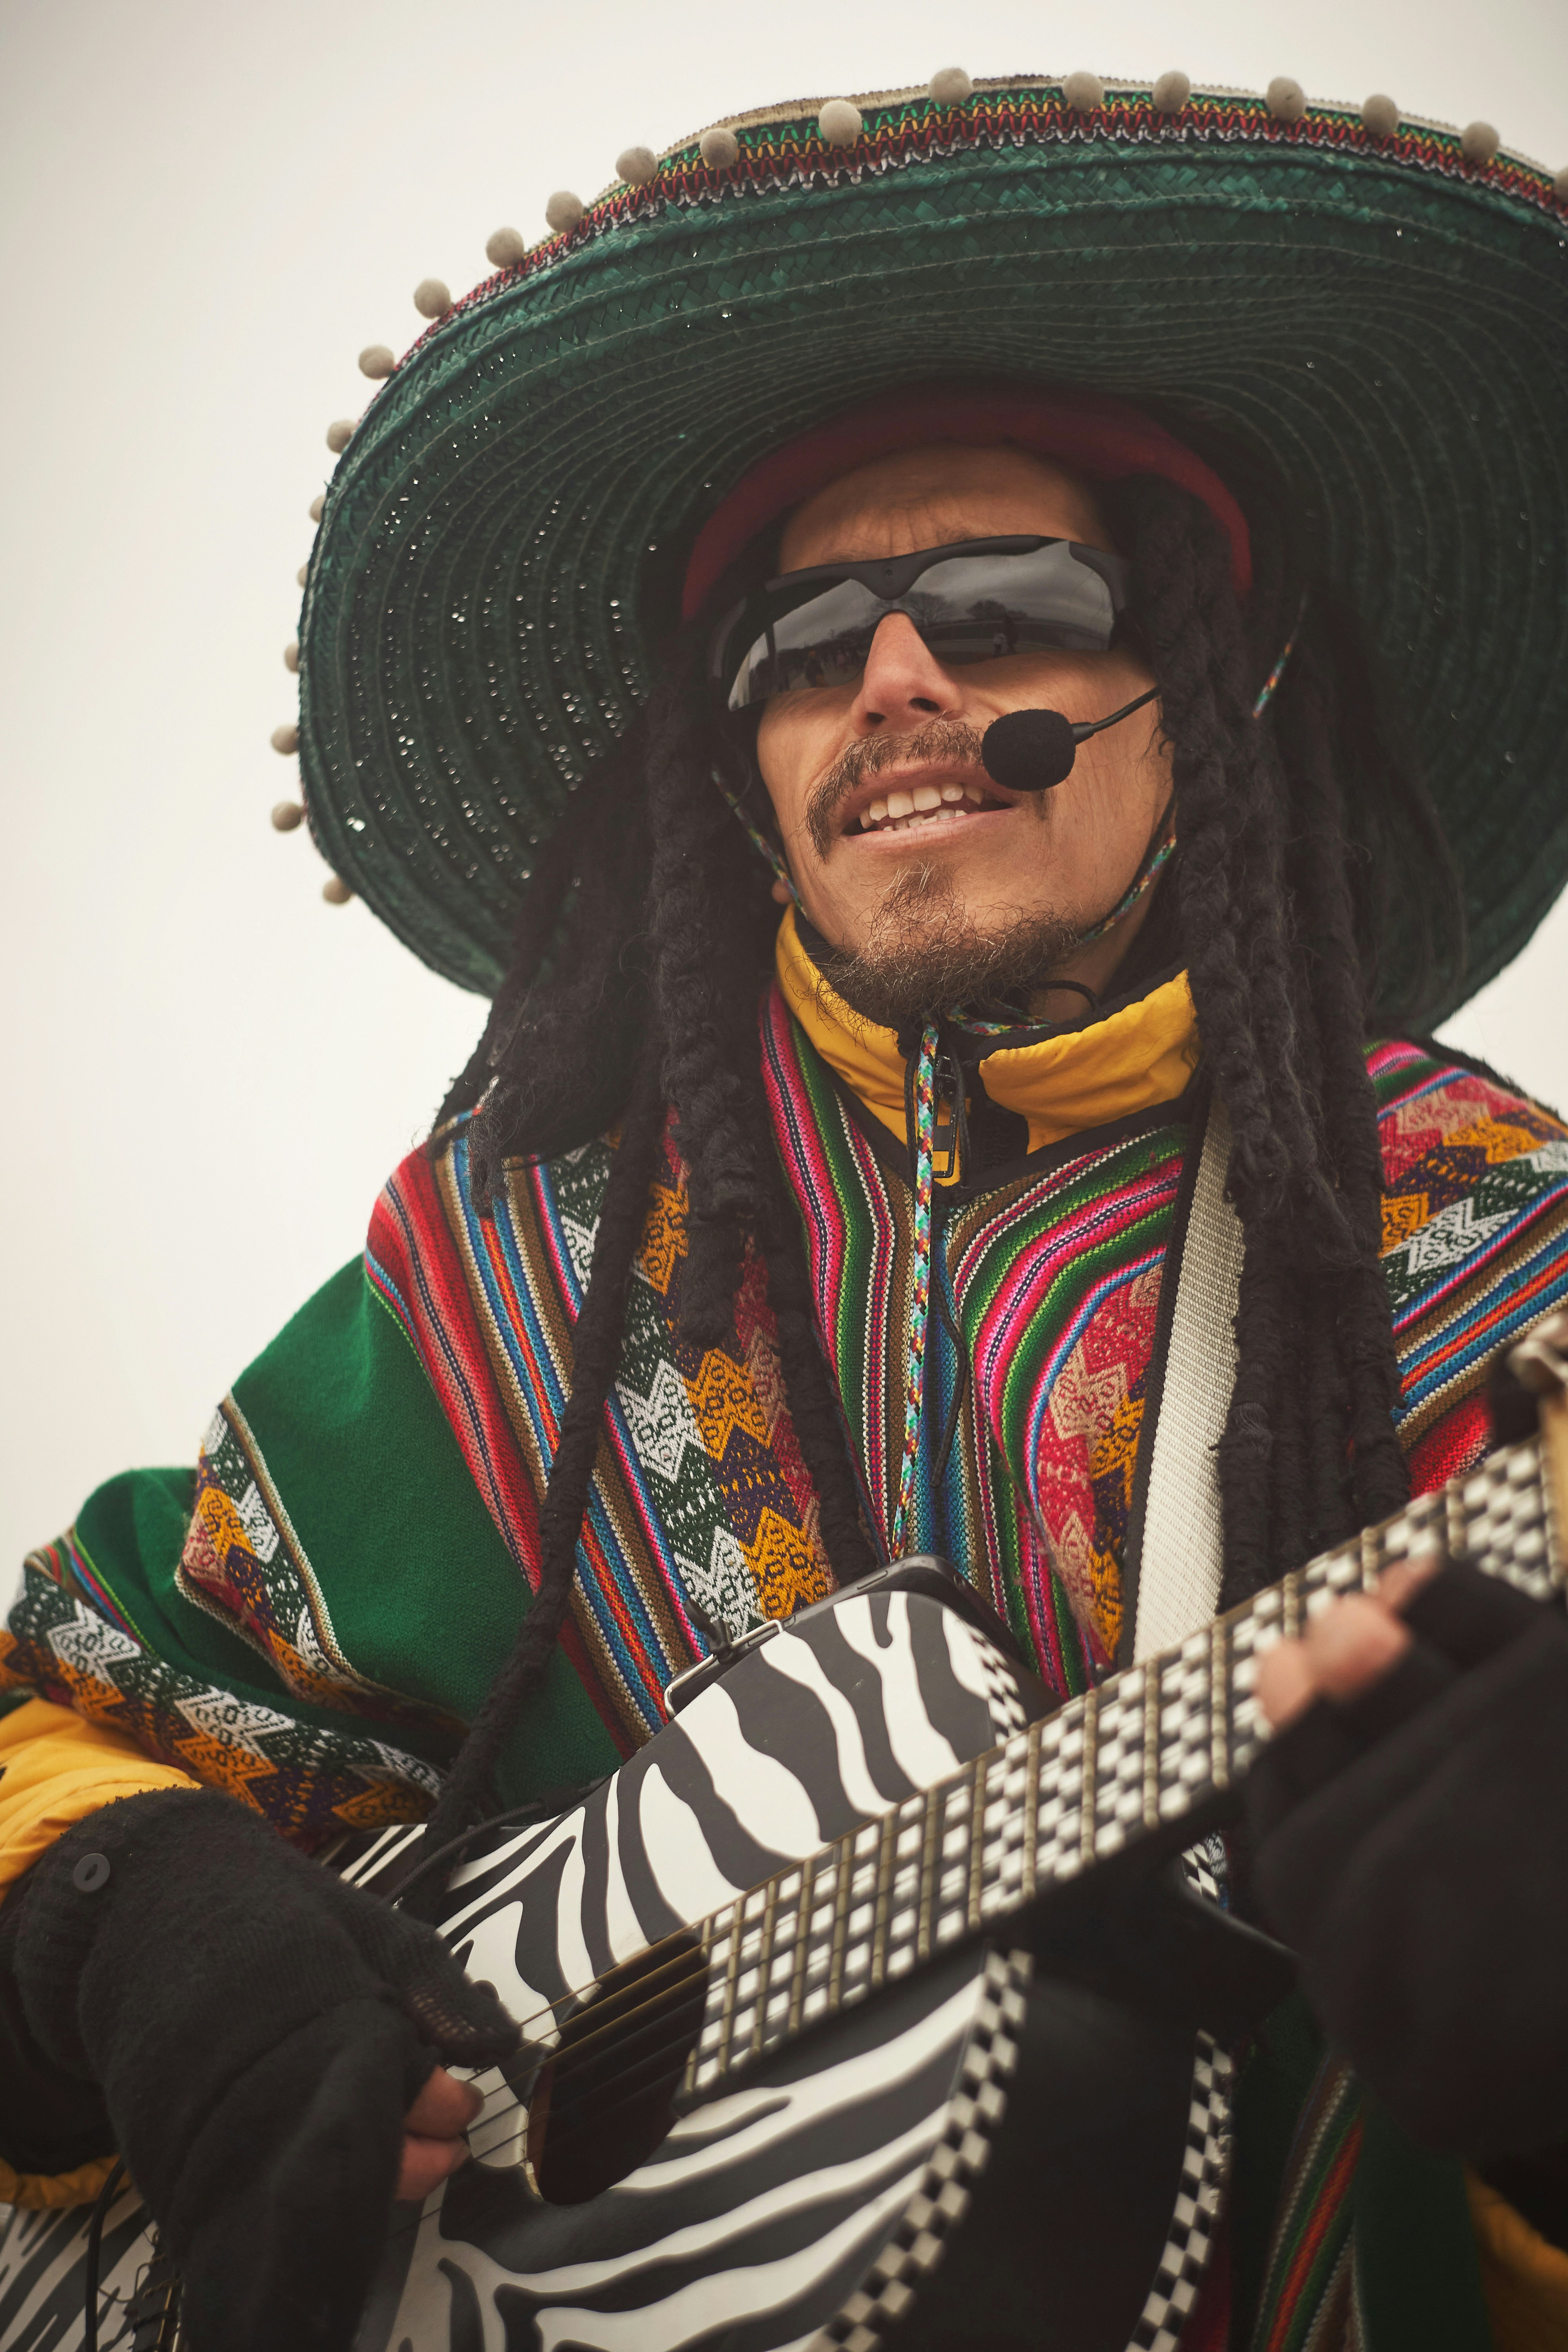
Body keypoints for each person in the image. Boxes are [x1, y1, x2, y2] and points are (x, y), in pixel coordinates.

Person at [3, 64, 1568, 2352]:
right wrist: (123, 1922)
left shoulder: (1503, 1263)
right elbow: (56, 1716)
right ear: (737, 772)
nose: (897, 682)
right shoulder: (504, 1292)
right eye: (800, 645)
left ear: (1210, 672)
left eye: (1007, 603)